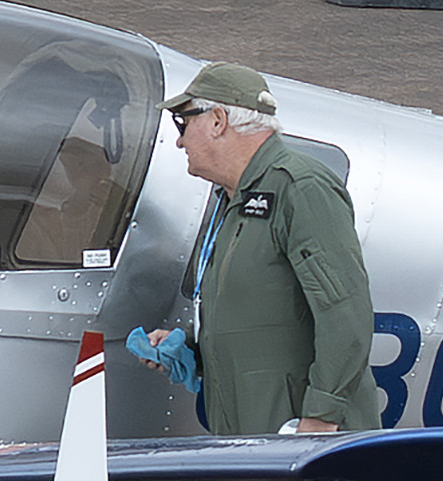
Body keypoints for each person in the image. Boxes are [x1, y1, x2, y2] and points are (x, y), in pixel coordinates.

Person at [125, 63, 374, 439]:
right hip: (249, 437)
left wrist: (321, 417)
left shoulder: (300, 188)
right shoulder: (234, 198)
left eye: (183, 122)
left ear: (218, 120)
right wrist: (190, 349)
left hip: (301, 444)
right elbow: (265, 314)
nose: (179, 141)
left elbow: (345, 313)